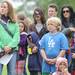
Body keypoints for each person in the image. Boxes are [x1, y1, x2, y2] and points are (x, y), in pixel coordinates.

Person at [0, 1, 20, 75]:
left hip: (12, 51)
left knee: (11, 72)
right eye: (1, 7)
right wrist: (3, 46)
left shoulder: (15, 23)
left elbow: (17, 37)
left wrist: (10, 46)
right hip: (0, 50)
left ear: (9, 9)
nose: (2, 8)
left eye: (4, 7)